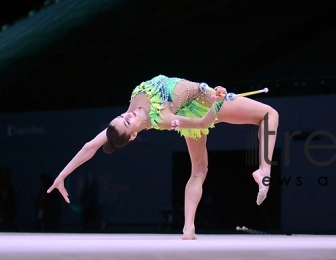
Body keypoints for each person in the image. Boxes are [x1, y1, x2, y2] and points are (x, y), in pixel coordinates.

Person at [47, 75, 279, 240]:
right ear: (135, 133)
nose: (127, 114)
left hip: (197, 99)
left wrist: (61, 176)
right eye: (127, 121)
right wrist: (214, 98)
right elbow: (202, 122)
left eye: (121, 115)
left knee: (199, 170)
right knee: (270, 114)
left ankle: (188, 230)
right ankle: (263, 171)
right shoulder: (163, 118)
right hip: (203, 103)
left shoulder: (132, 108)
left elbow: (90, 146)